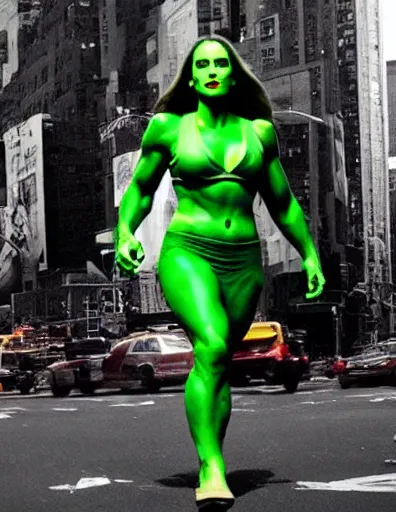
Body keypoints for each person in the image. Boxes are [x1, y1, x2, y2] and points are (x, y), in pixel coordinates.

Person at [114, 36, 324, 510]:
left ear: (233, 74)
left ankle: (216, 453)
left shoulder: (259, 133)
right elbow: (140, 190)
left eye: (220, 64)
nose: (211, 70)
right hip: (188, 251)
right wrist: (126, 230)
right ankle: (210, 465)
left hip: (244, 260)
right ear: (191, 76)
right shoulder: (169, 127)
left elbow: (283, 202)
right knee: (209, 345)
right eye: (202, 64)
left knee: (220, 362)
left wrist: (309, 253)